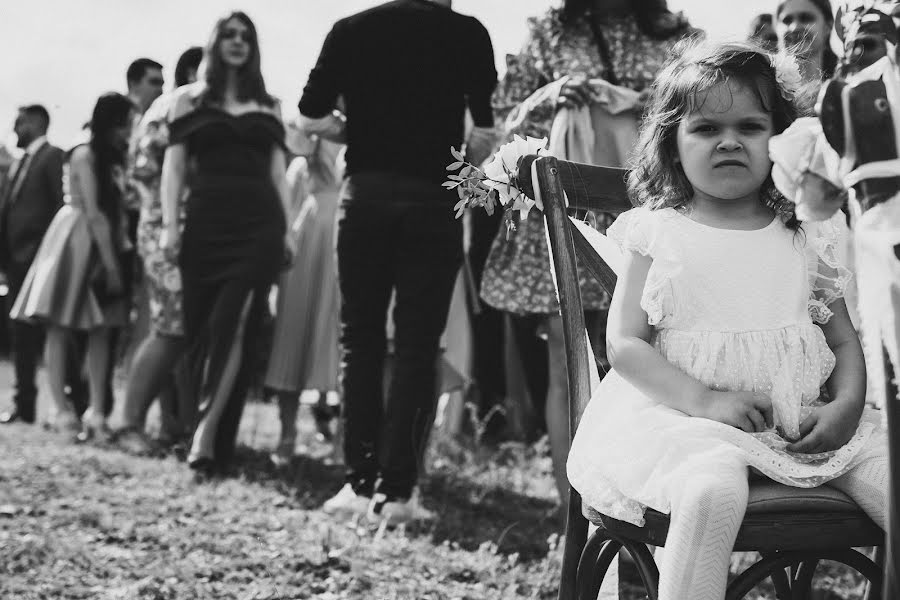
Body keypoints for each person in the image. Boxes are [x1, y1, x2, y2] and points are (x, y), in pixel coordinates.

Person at [566, 41, 886, 600]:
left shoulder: (808, 230)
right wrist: (706, 401)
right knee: (711, 493)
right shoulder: (657, 231)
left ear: (782, 139)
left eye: (750, 126)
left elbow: (843, 338)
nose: (730, 140)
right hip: (688, 425)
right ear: (672, 142)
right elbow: (625, 344)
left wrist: (846, 406)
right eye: (707, 128)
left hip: (807, 423)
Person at [480, 0, 696, 505]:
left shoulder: (674, 36)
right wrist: (553, 95)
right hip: (567, 212)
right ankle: (576, 507)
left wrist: (648, 102)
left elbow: (707, 110)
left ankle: (649, 504)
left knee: (659, 352)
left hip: (653, 214)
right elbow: (501, 125)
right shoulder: (549, 33)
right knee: (568, 355)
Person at [297, 0, 497, 524]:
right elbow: (482, 134)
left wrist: (355, 129)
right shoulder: (468, 33)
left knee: (358, 340)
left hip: (363, 196)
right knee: (417, 347)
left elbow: (310, 115)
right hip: (433, 201)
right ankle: (399, 493)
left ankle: (357, 485)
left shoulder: (350, 29)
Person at [160, 12, 293, 476]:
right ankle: (209, 430)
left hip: (259, 225)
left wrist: (289, 231)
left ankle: (205, 437)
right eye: (229, 35)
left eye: (246, 36)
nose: (238, 43)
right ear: (215, 43)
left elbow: (279, 175)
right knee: (201, 330)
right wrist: (170, 228)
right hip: (204, 223)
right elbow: (173, 170)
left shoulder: (269, 105)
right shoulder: (187, 101)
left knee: (234, 323)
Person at [10, 93, 135, 440]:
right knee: (60, 326)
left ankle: (96, 412)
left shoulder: (116, 159)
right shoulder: (83, 154)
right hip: (77, 240)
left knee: (102, 328)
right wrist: (111, 264)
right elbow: (93, 212)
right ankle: (61, 410)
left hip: (106, 237)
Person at [115, 46, 204, 453]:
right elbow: (153, 177)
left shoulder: (173, 110)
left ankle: (174, 425)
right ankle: (129, 422)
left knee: (178, 331)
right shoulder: (175, 109)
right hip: (168, 232)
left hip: (174, 230)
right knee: (169, 329)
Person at [264, 129, 344, 466]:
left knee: (345, 342)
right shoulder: (308, 140)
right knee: (293, 335)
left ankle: (344, 442)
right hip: (309, 238)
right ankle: (286, 435)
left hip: (349, 235)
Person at [0, 105, 64, 425]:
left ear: (36, 122)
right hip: (15, 262)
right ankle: (23, 405)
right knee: (20, 335)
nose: (14, 126)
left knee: (52, 332)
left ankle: (67, 405)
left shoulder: (52, 157)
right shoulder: (20, 163)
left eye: (20, 121)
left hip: (41, 260)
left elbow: (60, 206)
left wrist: (48, 254)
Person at [775, 0, 838, 84]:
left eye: (805, 18)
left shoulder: (848, 88)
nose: (794, 27)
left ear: (828, 26)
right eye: (787, 20)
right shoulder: (762, 89)